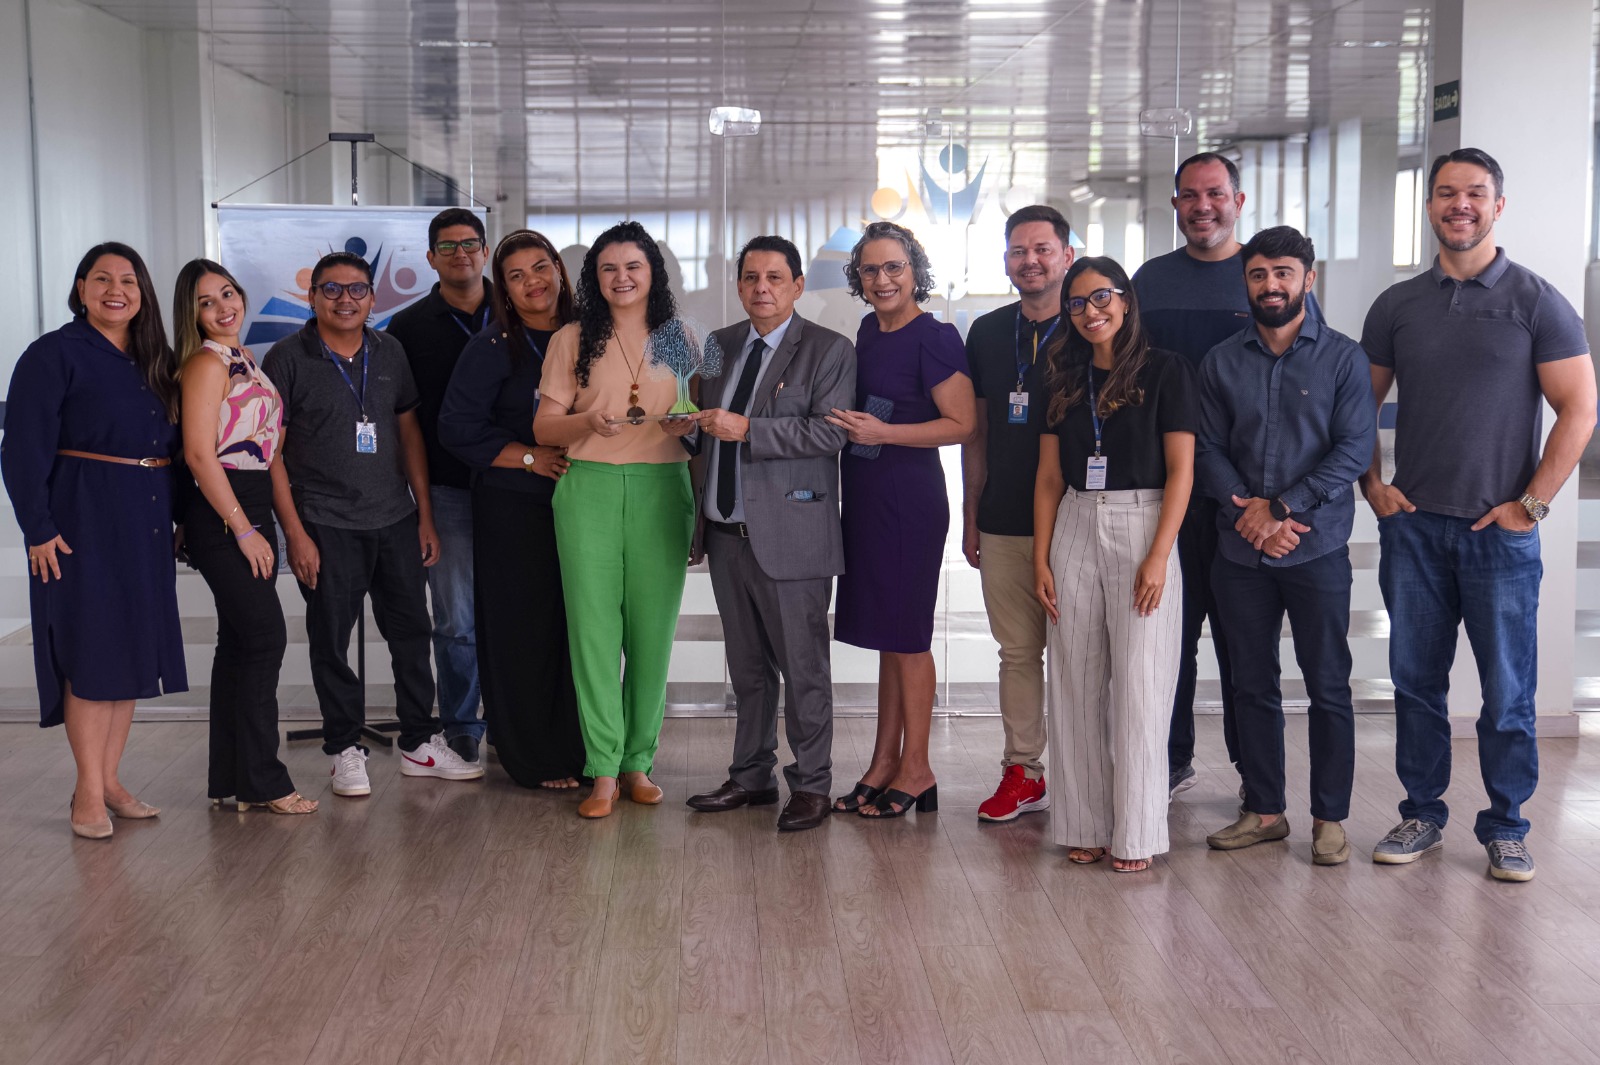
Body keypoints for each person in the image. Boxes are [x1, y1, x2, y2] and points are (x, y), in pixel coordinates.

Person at [1360, 148, 1596, 882]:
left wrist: (1532, 505)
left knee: (1508, 689)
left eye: (1474, 194)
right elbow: (1353, 408)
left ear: (1498, 206)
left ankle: (1507, 825)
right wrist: (1374, 485)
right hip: (1417, 531)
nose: (1459, 205)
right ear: (1429, 207)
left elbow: (1579, 408)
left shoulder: (1535, 299)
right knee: (1416, 681)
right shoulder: (1397, 306)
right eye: (1445, 194)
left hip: (1499, 536)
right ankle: (1422, 813)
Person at [264, 251, 482, 797]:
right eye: (331, 289)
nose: (345, 300)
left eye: (356, 290)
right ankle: (343, 749)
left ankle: (417, 742)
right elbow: (270, 455)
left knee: (411, 635)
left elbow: (409, 434)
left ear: (373, 298)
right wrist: (294, 534)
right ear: (312, 296)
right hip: (324, 522)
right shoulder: (287, 359)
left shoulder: (391, 351)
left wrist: (425, 516)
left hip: (395, 519)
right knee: (331, 640)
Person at [1193, 227, 1373, 865]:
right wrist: (1248, 510)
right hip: (1240, 551)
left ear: (1308, 279)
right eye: (1260, 274)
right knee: (1251, 684)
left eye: (1284, 273)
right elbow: (1207, 447)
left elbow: (1354, 450)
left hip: (1316, 549)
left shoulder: (1344, 359)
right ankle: (1265, 810)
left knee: (1328, 686)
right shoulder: (1221, 361)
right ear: (1246, 282)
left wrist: (1283, 508)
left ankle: (1330, 819)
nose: (1272, 285)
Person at [1, 242, 187, 838]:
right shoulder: (53, 354)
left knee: (130, 652)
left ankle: (110, 780)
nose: (116, 290)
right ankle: (86, 792)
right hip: (81, 521)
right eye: (101, 279)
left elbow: (171, 449)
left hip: (146, 519)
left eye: (128, 280)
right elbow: (20, 448)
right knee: (92, 652)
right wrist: (39, 527)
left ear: (143, 292)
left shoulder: (153, 358)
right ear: (81, 289)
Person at [684, 236, 855, 832]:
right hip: (727, 532)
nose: (762, 288)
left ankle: (812, 785)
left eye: (775, 278)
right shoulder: (719, 346)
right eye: (751, 277)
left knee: (804, 667)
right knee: (748, 668)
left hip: (793, 534)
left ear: (798, 286)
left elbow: (829, 435)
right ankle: (750, 774)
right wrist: (687, 425)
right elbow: (702, 427)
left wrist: (747, 428)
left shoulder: (830, 349)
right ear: (738, 285)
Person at [1033, 256, 1196, 873]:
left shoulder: (1167, 371)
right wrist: (1041, 557)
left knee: (1141, 683)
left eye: (1101, 298)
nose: (1090, 312)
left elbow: (1182, 470)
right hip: (1074, 518)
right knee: (1073, 680)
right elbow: (1049, 477)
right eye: (1077, 304)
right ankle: (1084, 822)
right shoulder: (1064, 374)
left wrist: (1159, 555)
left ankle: (1137, 832)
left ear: (1125, 300)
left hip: (1143, 522)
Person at [534, 221, 698, 819]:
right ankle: (602, 768)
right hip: (590, 491)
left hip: (663, 488)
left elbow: (690, 411)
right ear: (594, 278)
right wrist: (587, 422)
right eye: (608, 268)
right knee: (594, 635)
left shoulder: (678, 336)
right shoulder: (573, 338)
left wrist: (688, 424)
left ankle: (638, 763)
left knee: (652, 635)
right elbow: (544, 428)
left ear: (653, 272)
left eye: (633, 266)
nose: (621, 277)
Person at [826, 221, 976, 819]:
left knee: (909, 638)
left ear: (916, 270)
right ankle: (883, 763)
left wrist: (884, 432)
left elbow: (963, 425)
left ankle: (918, 767)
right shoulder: (867, 329)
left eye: (894, 267)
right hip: (864, 492)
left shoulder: (934, 336)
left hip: (908, 500)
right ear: (857, 279)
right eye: (871, 269)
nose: (883, 279)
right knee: (888, 638)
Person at [439, 229, 585, 789]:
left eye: (541, 268)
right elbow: (456, 428)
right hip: (516, 506)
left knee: (580, 628)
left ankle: (582, 745)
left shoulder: (588, 335)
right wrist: (528, 457)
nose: (533, 283)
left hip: (585, 501)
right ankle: (532, 756)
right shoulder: (494, 344)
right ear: (503, 288)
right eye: (517, 276)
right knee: (525, 630)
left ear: (559, 270)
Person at [174, 259, 315, 815]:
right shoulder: (207, 364)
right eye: (207, 302)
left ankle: (231, 779)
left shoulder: (247, 360)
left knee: (237, 644)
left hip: (249, 501)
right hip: (224, 509)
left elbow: (268, 451)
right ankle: (265, 781)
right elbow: (198, 454)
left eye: (227, 293)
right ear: (193, 315)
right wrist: (243, 528)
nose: (223, 307)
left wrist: (276, 523)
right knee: (263, 639)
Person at [1131, 152, 1251, 798]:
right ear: (1175, 205)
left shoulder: (1261, 276)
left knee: (1242, 641)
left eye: (1215, 194)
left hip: (1241, 497)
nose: (1202, 206)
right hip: (1163, 494)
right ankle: (1170, 758)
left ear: (1238, 199)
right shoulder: (1151, 280)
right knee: (1167, 639)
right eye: (1189, 196)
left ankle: (1253, 772)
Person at [961, 205, 1074, 823]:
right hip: (1004, 517)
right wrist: (970, 510)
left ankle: (1086, 773)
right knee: (1017, 652)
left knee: (1083, 652)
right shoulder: (986, 331)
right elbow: (974, 432)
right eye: (1017, 251)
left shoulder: (1093, 325)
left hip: (1079, 518)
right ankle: (1023, 771)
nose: (1029, 260)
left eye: (1042, 249)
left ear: (1067, 257)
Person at [385, 208, 491, 765]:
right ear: (430, 259)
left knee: (521, 610)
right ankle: (462, 724)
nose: (460, 254)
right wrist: (422, 509)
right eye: (447, 247)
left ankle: (514, 719)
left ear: (486, 250)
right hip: (447, 493)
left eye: (470, 243)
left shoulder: (522, 309)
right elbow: (406, 427)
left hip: (523, 488)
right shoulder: (406, 328)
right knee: (455, 620)